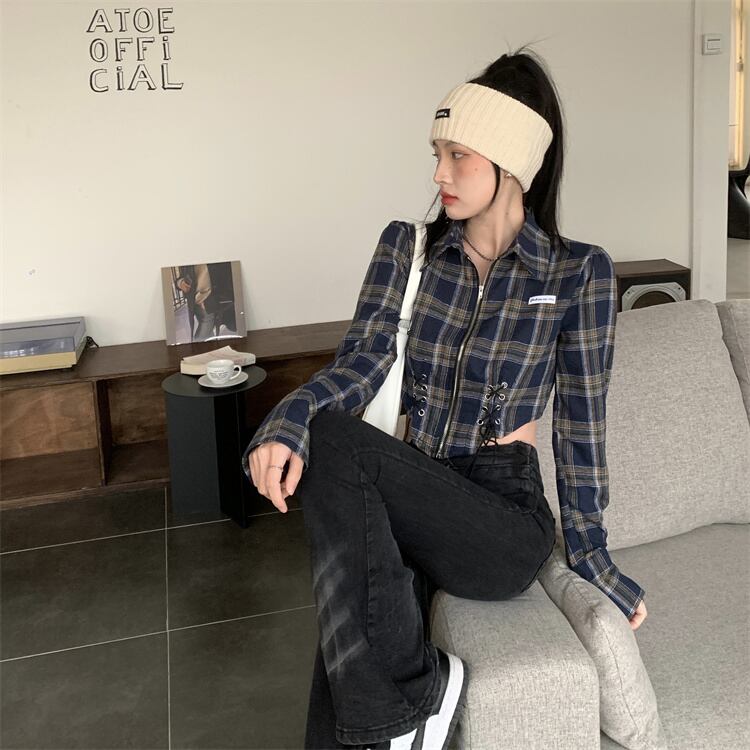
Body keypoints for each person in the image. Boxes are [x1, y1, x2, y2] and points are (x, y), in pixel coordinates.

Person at [243, 45, 648, 750]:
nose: (439, 174)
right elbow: (362, 361)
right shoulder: (408, 251)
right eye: (438, 153)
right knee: (346, 639)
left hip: (501, 516)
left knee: (333, 443)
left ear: (512, 163)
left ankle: (417, 699)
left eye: (458, 155)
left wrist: (593, 559)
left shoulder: (578, 273)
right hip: (413, 485)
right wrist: (287, 420)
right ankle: (404, 708)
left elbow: (581, 429)